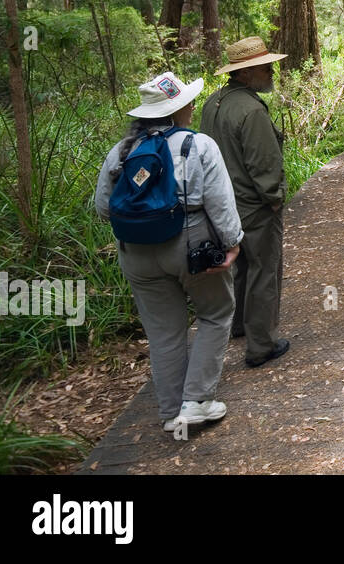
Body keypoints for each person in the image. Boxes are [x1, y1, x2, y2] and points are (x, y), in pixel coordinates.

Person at [94, 72, 243, 433]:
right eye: (187, 104)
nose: (192, 107)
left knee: (163, 332)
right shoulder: (200, 145)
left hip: (136, 252)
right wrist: (232, 242)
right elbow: (220, 203)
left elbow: (102, 207)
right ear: (178, 111)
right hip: (191, 244)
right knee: (215, 313)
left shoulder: (122, 150)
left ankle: (169, 411)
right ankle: (196, 402)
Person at [199, 36, 291, 368]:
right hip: (254, 207)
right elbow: (264, 165)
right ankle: (261, 345)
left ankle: (239, 325)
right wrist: (275, 199)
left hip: (220, 207)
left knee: (240, 267)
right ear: (246, 73)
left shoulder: (214, 102)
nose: (271, 73)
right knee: (264, 270)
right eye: (266, 68)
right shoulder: (251, 110)